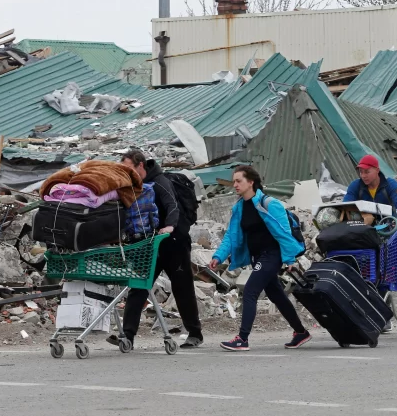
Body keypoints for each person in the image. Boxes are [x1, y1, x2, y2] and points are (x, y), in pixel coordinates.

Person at [209, 165, 311, 352]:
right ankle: (301, 332)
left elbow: (284, 234)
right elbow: (231, 236)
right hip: (257, 257)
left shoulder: (269, 204)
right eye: (234, 181)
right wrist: (218, 256)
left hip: (272, 255)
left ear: (251, 182)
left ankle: (242, 339)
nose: (235, 185)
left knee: (250, 291)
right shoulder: (239, 207)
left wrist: (289, 260)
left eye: (239, 181)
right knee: (276, 295)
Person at [113, 150, 203, 348]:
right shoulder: (133, 186)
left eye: (129, 169)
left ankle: (195, 333)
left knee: (182, 287)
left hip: (174, 242)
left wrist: (170, 226)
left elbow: (172, 205)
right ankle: (127, 335)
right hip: (149, 244)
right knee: (138, 286)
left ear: (141, 166)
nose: (127, 173)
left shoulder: (161, 182)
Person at [343, 155, 397, 226]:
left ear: (377, 170)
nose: (363, 176)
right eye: (361, 172)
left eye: (367, 172)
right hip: (365, 227)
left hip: (388, 225)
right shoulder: (355, 186)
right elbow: (346, 205)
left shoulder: (390, 184)